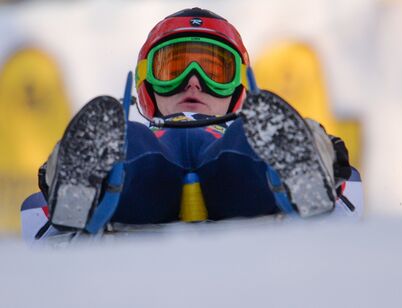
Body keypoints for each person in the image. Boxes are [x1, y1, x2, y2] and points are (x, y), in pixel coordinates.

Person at [20, 7, 362, 242]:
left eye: (214, 71)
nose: (194, 82)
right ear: (147, 83)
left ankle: (305, 168)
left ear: (238, 87)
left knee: (251, 140)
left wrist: (325, 150)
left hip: (236, 172)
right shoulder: (132, 137)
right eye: (173, 69)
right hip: (142, 179)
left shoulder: (249, 134)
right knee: (126, 141)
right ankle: (79, 186)